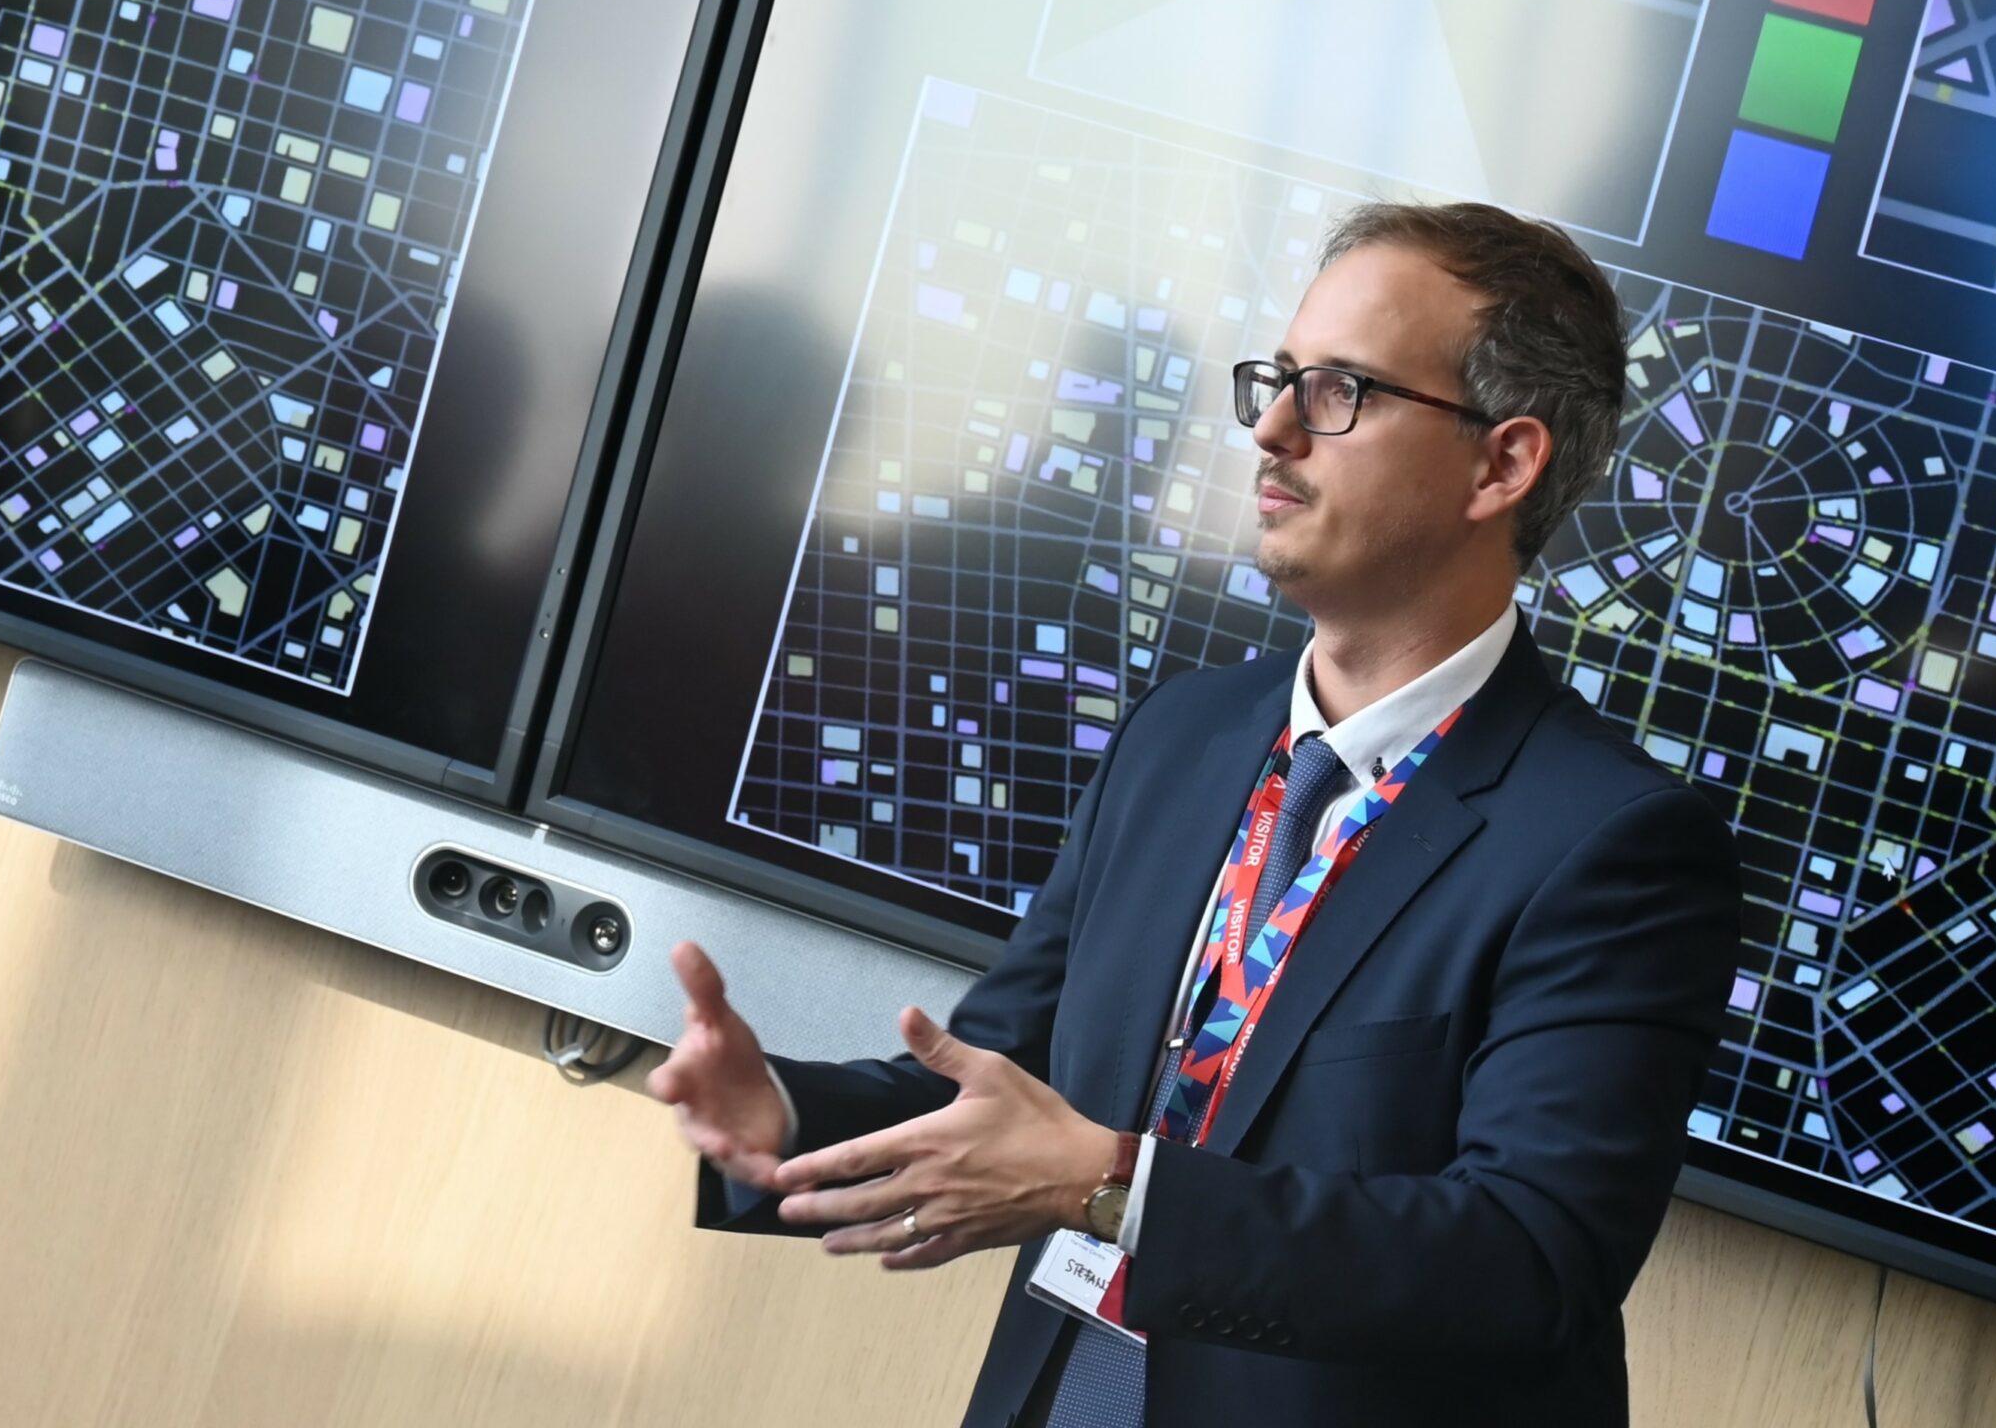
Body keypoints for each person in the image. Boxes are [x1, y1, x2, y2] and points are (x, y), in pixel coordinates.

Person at [650, 200, 1742, 1426]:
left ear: (1503, 463)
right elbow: (1007, 1089)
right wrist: (785, 1113)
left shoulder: (1615, 846)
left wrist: (1117, 1186)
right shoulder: (1183, 735)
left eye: (1340, 392)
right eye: (1277, 380)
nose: (1272, 430)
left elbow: (1526, 1259)